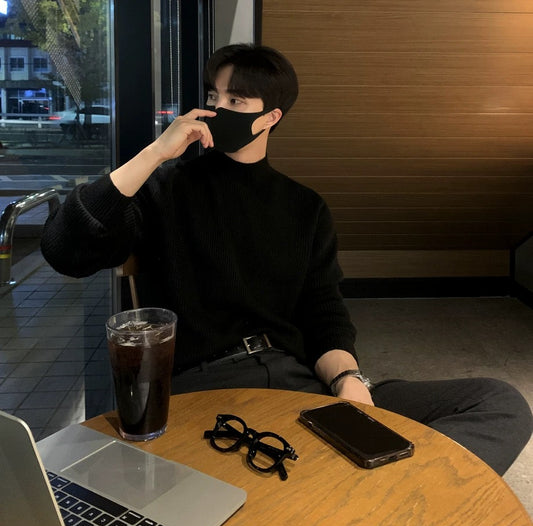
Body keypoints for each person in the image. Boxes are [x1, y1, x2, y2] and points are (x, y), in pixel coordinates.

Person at [41, 44, 532, 476]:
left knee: (500, 403)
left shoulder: (304, 207)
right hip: (209, 389)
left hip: (301, 384)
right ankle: (377, 497)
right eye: (213, 97)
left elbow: (324, 311)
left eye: (236, 101)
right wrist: (155, 153)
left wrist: (348, 380)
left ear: (270, 117)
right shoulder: (167, 189)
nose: (215, 110)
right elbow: (65, 251)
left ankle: (389, 498)